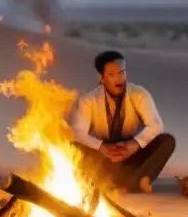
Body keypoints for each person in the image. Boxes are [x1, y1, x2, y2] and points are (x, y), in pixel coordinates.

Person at [71, 50, 176, 193]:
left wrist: (133, 145)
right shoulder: (88, 101)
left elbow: (156, 125)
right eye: (112, 74)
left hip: (131, 153)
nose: (119, 79)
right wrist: (102, 147)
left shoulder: (139, 94)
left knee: (167, 140)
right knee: (73, 145)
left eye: (122, 72)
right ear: (101, 78)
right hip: (103, 158)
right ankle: (108, 182)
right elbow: (79, 133)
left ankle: (141, 179)